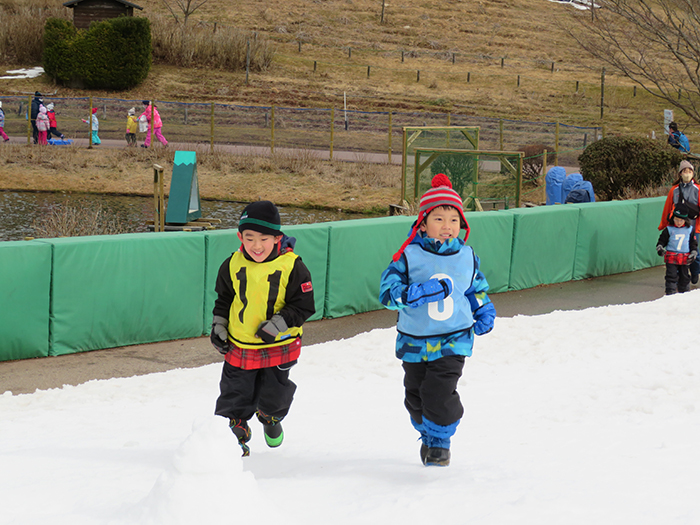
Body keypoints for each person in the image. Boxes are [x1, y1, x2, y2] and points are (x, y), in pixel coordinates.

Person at [378, 173, 496, 467]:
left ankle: (441, 443)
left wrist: (483, 309)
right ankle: (428, 434)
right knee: (415, 397)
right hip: (415, 339)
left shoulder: (467, 256)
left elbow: (474, 288)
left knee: (438, 392)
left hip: (453, 337)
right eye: (439, 219)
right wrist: (413, 293)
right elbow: (387, 293)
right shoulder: (408, 256)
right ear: (423, 223)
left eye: (454, 220)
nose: (447, 227)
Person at [210, 201, 315, 457]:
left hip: (279, 345)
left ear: (277, 237)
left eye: (264, 239)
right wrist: (218, 325)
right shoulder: (231, 264)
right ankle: (233, 439)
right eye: (250, 238)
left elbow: (304, 306)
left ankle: (270, 418)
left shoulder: (293, 266)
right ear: (240, 237)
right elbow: (224, 299)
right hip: (240, 344)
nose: (257, 246)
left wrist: (278, 324)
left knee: (274, 395)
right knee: (233, 394)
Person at [659, 160, 700, 284]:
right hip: (676, 225)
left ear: (693, 173)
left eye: (689, 171)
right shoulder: (674, 190)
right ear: (680, 174)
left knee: (695, 254)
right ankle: (676, 278)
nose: (687, 174)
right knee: (676, 253)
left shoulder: (697, 189)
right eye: (684, 171)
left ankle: (695, 272)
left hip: (693, 225)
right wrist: (664, 225)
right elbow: (667, 207)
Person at [657, 204, 697, 295]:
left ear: (685, 220)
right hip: (671, 257)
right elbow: (662, 240)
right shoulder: (669, 229)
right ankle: (670, 292)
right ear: (673, 219)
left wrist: (693, 252)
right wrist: (660, 247)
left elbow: (693, 243)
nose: (678, 222)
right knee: (671, 275)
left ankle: (684, 293)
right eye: (676, 220)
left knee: (684, 276)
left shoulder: (689, 230)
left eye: (681, 220)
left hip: (685, 257)